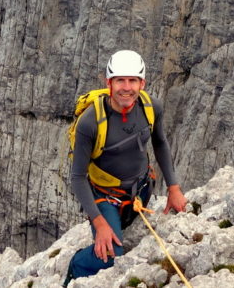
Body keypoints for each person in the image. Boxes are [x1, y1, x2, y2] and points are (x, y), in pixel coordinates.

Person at [65, 50, 186, 285]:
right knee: (110, 257)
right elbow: (78, 177)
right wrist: (100, 223)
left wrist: (173, 187)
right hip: (106, 197)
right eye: (120, 80)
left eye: (132, 81)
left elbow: (160, 142)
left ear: (142, 83)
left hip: (140, 191)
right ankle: (77, 264)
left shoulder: (152, 107)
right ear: (108, 83)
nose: (126, 88)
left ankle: (119, 222)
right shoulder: (90, 122)